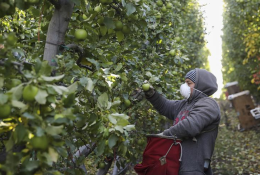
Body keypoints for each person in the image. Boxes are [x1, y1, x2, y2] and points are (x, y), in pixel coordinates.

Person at [143, 68, 221, 175]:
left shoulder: (208, 104)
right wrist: (151, 94)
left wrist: (164, 135)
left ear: (199, 85)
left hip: (193, 168)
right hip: (178, 164)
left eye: (189, 83)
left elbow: (190, 126)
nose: (185, 86)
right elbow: (165, 106)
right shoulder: (185, 104)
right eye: (185, 83)